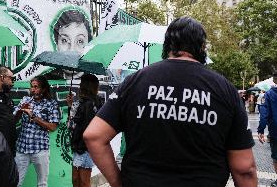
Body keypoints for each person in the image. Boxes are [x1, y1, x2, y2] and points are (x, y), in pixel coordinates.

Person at [83, 17, 257, 187]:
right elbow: (245, 169)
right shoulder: (225, 90)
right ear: (202, 48)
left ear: (168, 45)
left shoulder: (134, 82)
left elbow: (94, 136)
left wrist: (117, 182)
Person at [14, 76, 60, 187]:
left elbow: (53, 127)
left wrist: (34, 116)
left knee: (42, 183)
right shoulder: (25, 100)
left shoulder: (51, 104)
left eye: (36, 87)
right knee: (15, 182)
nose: (33, 90)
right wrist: (20, 111)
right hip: (22, 149)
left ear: (43, 89)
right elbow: (13, 120)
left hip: (40, 150)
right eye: (31, 87)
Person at [66, 74, 102, 187]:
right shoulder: (90, 103)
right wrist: (71, 106)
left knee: (82, 182)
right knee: (77, 180)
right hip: (81, 147)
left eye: (81, 84)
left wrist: (72, 110)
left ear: (85, 87)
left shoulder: (90, 104)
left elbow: (73, 126)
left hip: (85, 147)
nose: (80, 87)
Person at [52, 9, 93, 79]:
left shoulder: (94, 80)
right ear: (56, 44)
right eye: (64, 40)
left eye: (80, 41)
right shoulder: (49, 79)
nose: (71, 50)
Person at [258, 73, 277, 187]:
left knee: (276, 157)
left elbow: (264, 114)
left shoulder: (269, 94)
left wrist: (261, 130)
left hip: (275, 130)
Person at [0, 66, 17, 156]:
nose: (13, 82)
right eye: (12, 78)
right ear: (2, 77)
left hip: (9, 148)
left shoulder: (6, 96)